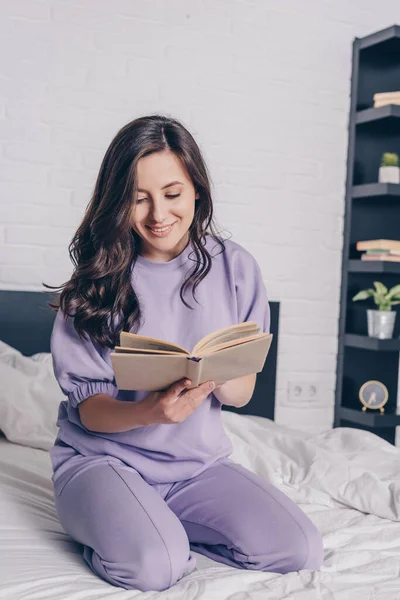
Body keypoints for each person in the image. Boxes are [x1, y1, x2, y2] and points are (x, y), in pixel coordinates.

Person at [46, 114, 324, 593]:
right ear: (118, 202)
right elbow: (89, 411)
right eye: (139, 199)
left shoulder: (235, 268)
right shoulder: (92, 283)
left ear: (197, 188)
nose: (158, 214)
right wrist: (153, 411)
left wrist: (218, 376)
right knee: (155, 568)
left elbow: (241, 394)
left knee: (298, 548)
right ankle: (134, 531)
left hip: (197, 469)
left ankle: (158, 524)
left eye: (172, 194)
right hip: (102, 463)